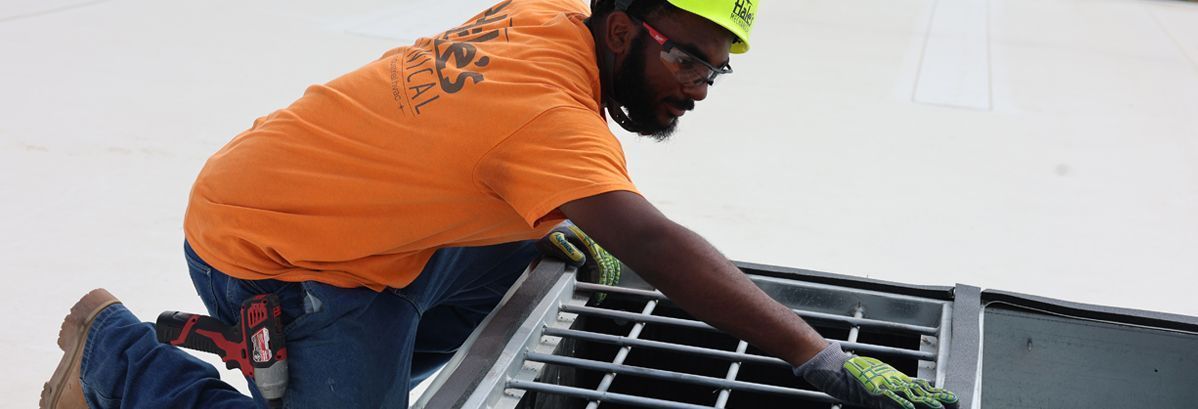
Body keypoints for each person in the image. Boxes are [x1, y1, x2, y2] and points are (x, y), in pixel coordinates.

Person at [40, 0, 961, 408]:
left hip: (344, 211)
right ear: (619, 28)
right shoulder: (550, 124)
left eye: (720, 69)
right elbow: (654, 240)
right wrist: (818, 357)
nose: (703, 87)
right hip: (272, 246)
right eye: (686, 58)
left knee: (534, 233)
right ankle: (116, 352)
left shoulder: (554, 14)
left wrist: (548, 217)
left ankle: (277, 352)